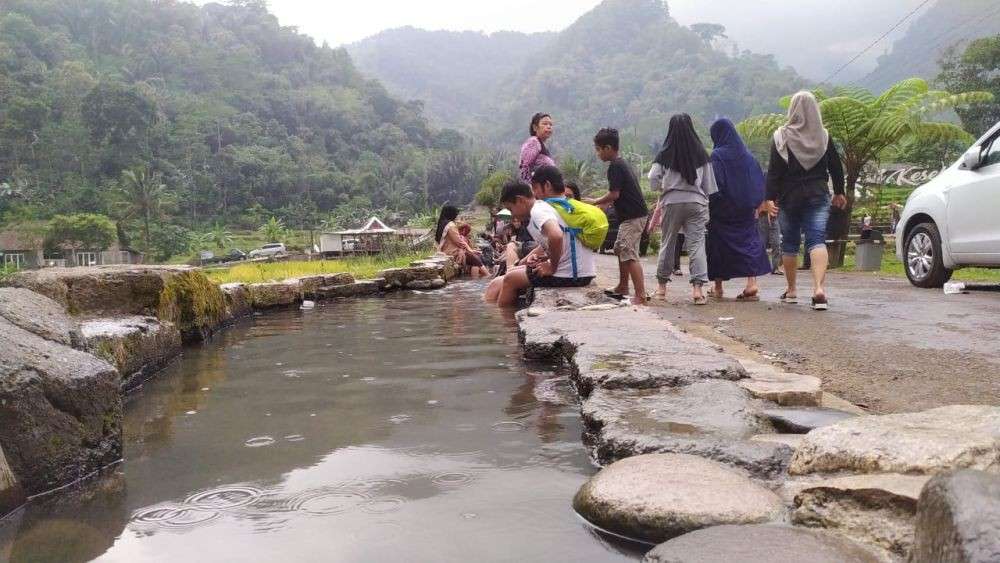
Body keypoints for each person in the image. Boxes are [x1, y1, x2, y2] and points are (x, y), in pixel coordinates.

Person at [762, 91, 847, 311]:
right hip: (817, 195)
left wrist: (769, 198)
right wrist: (839, 192)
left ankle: (791, 291)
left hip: (789, 197)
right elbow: (836, 167)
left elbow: (774, 172)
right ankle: (819, 289)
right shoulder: (824, 136)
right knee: (817, 240)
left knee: (789, 243)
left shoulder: (781, 136)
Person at [484, 170, 597, 307]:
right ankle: (493, 312)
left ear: (520, 200)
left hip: (571, 276)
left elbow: (556, 235)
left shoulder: (538, 209)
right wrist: (543, 258)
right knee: (505, 277)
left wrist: (552, 266)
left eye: (511, 209)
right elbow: (559, 241)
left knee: (510, 279)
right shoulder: (542, 209)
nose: (512, 215)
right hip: (580, 272)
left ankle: (506, 324)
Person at [648, 114, 716, 304]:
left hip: (671, 201)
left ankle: (661, 289)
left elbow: (653, 178)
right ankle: (697, 291)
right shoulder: (701, 154)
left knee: (668, 242)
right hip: (696, 203)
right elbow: (708, 186)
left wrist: (662, 186)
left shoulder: (664, 153)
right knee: (696, 244)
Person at [704, 118, 773, 300]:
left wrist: (711, 205)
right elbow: (759, 182)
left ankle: (717, 287)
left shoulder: (717, 155)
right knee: (748, 243)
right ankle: (752, 284)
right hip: (745, 211)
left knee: (717, 245)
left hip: (723, 211)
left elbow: (714, 184)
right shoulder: (749, 157)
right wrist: (756, 203)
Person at [587, 128, 649, 305]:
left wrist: (595, 201)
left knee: (628, 252)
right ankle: (623, 286)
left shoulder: (615, 166)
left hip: (633, 216)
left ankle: (640, 295)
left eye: (598, 149)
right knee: (621, 248)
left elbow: (614, 194)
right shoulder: (621, 163)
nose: (597, 153)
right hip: (631, 215)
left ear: (608, 148)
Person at [435, 206, 489, 277]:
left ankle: (478, 278)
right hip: (452, 252)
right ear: (451, 214)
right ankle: (485, 276)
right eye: (455, 214)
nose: (456, 216)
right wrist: (470, 250)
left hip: (444, 251)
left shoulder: (441, 225)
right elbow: (458, 242)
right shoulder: (450, 226)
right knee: (475, 259)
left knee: (474, 259)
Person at [519, 113, 556, 184]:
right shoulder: (533, 142)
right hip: (537, 190)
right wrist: (529, 189)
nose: (549, 126)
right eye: (545, 124)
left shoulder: (541, 144)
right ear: (535, 127)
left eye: (550, 124)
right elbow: (525, 168)